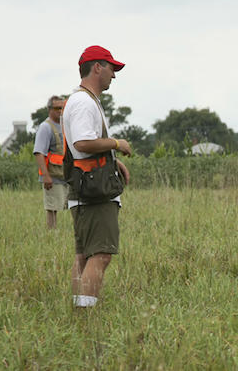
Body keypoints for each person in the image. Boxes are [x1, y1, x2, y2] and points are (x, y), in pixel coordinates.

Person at [62, 45, 132, 308]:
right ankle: (85, 317)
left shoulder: (81, 100)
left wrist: (115, 161)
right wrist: (116, 144)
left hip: (84, 188)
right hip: (95, 191)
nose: (114, 75)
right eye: (111, 68)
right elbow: (82, 142)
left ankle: (79, 308)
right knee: (100, 255)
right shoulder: (83, 102)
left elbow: (86, 145)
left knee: (83, 255)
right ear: (97, 67)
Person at [34, 96, 69, 229]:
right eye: (57, 108)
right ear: (49, 110)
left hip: (66, 174)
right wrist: (46, 176)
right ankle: (52, 234)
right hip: (52, 176)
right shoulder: (45, 127)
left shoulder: (65, 125)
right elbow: (39, 153)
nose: (60, 111)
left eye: (62, 108)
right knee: (52, 208)